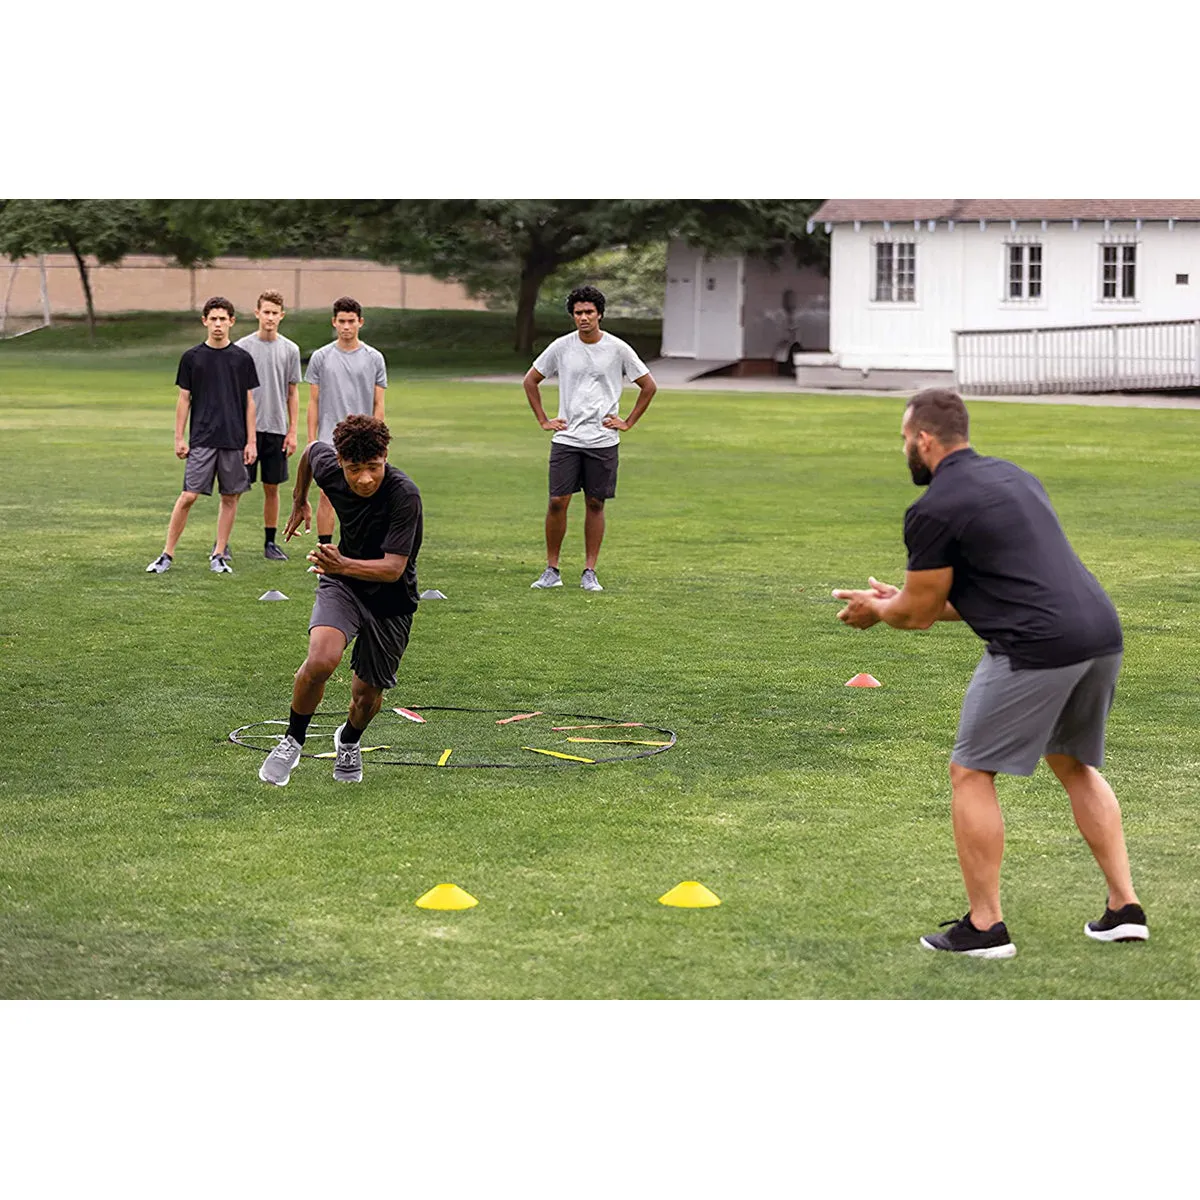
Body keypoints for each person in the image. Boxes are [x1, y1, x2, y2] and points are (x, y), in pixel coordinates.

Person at [832, 388, 1145, 958]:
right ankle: (1125, 907)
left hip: (1037, 646)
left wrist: (879, 608)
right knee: (1073, 765)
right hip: (1099, 632)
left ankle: (985, 927)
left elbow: (919, 616)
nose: (905, 449)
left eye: (905, 440)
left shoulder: (933, 507)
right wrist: (902, 597)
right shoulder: (1013, 477)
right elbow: (983, 591)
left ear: (923, 440)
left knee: (970, 771)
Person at [258, 414, 422, 786]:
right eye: (354, 469)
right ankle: (292, 741)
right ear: (341, 463)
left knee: (366, 697)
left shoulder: (404, 495)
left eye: (373, 467)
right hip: (343, 584)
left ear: (386, 456)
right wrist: (300, 499)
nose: (365, 478)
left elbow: (394, 568)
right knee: (321, 659)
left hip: (390, 599)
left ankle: (348, 740)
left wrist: (341, 562)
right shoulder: (327, 464)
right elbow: (310, 453)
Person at [523, 285, 656, 592]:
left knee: (595, 503)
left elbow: (648, 386)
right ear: (573, 315)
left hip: (603, 441)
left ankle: (589, 571)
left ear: (600, 315)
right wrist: (544, 420)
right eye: (578, 313)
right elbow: (531, 381)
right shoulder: (561, 347)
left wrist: (627, 422)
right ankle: (551, 570)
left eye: (589, 312)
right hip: (567, 439)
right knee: (557, 502)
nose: (583, 318)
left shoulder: (618, 349)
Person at [145, 296, 258, 575]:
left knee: (230, 497)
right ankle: (166, 555)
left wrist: (251, 441)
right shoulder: (192, 358)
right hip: (202, 439)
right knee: (188, 496)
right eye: (213, 319)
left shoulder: (242, 359)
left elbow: (249, 402)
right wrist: (179, 438)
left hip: (233, 439)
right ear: (205, 321)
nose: (218, 324)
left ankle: (219, 554)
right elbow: (184, 399)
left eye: (223, 319)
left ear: (232, 322)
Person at [304, 297, 387, 545]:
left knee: (365, 492)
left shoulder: (374, 358)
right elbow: (314, 402)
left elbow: (378, 403)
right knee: (326, 493)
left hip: (363, 440)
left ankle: (360, 550)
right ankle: (325, 552)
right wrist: (311, 442)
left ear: (360, 322)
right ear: (334, 322)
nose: (346, 326)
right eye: (342, 321)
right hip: (329, 437)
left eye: (351, 321)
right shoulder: (321, 357)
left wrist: (378, 440)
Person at [235, 289, 301, 560]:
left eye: (275, 313)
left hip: (276, 429)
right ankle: (222, 544)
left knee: (272, 487)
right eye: (266, 312)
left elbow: (292, 392)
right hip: (245, 431)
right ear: (257, 313)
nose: (270, 317)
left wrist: (293, 430)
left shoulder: (290, 350)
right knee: (234, 488)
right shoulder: (241, 348)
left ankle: (270, 543)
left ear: (281, 316)